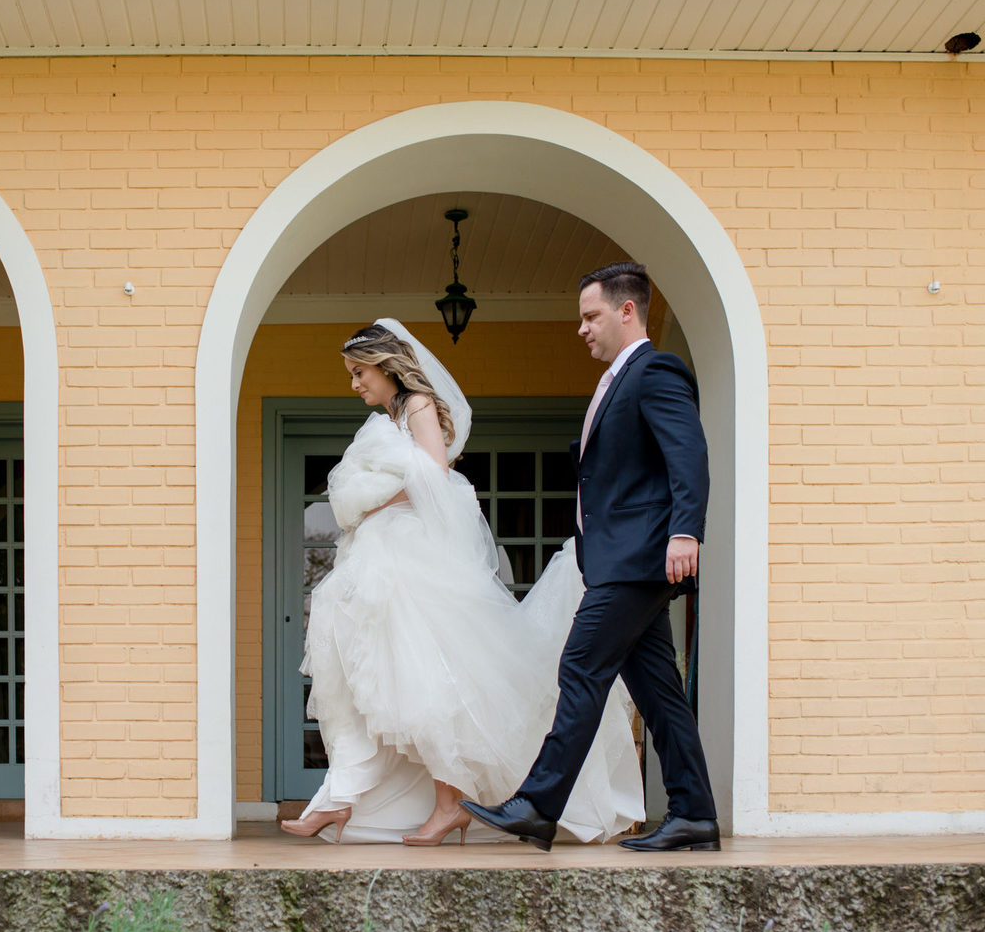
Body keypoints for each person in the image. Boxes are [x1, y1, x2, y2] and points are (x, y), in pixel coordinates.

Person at [280, 319, 644, 845]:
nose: (355, 383)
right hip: (383, 560)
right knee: (368, 685)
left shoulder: (419, 407)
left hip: (415, 565)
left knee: (425, 683)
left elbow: (433, 481)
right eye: (352, 374)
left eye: (360, 372)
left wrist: (364, 500)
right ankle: (340, 797)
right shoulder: (389, 417)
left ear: (387, 366)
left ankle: (446, 805)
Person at [463, 261, 720, 853]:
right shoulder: (617, 382)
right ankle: (695, 813)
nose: (581, 328)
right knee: (659, 694)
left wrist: (686, 531)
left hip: (639, 560)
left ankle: (537, 804)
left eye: (590, 315)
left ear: (626, 311)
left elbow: (689, 456)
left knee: (580, 668)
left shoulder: (655, 371)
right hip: (619, 562)